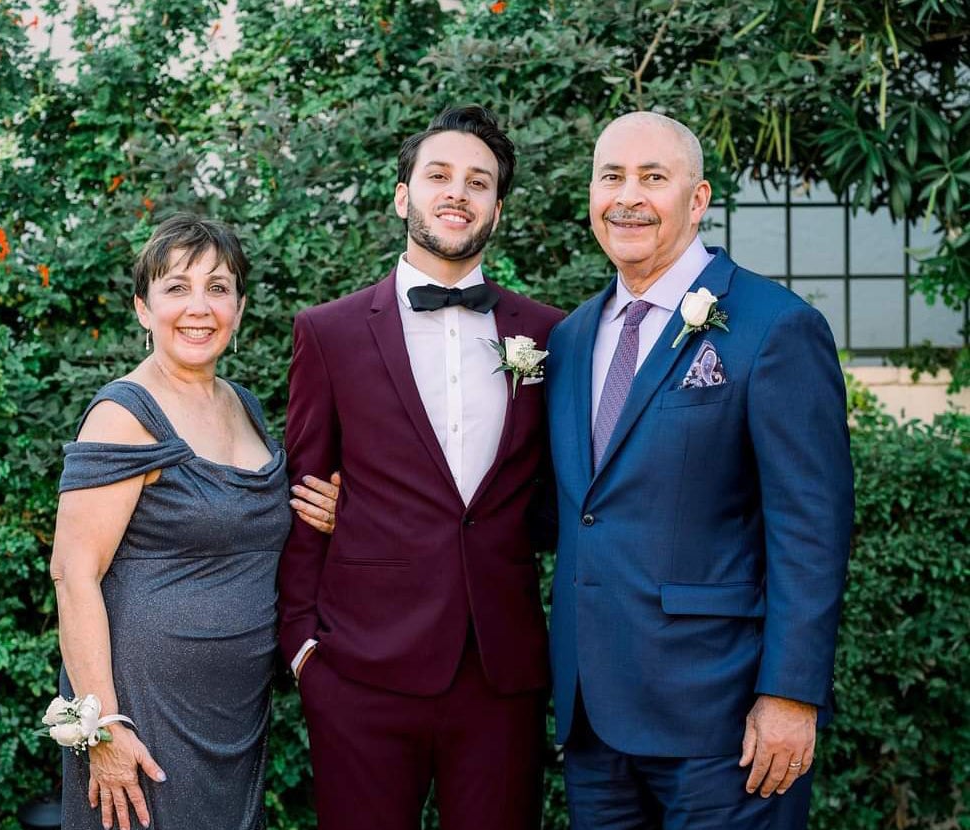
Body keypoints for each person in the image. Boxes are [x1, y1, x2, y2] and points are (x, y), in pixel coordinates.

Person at [544, 111, 854, 829]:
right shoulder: (569, 339)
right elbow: (559, 510)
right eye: (611, 176)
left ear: (699, 198)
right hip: (593, 722)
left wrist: (791, 695)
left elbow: (811, 528)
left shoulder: (774, 328)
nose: (629, 196)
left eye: (654, 178)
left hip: (725, 724)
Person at [278, 105, 563, 830]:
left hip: (501, 674)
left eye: (478, 182)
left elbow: (558, 495)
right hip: (361, 671)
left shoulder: (548, 333)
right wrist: (304, 649)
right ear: (404, 194)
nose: (457, 193)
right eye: (439, 175)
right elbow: (303, 497)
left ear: (498, 207)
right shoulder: (329, 333)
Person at [50, 214, 327, 830]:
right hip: (145, 711)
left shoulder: (244, 405)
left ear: (240, 306)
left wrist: (335, 515)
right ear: (143, 310)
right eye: (176, 287)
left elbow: (258, 528)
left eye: (218, 287)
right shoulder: (125, 414)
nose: (199, 307)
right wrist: (103, 727)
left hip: (235, 711)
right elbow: (73, 573)